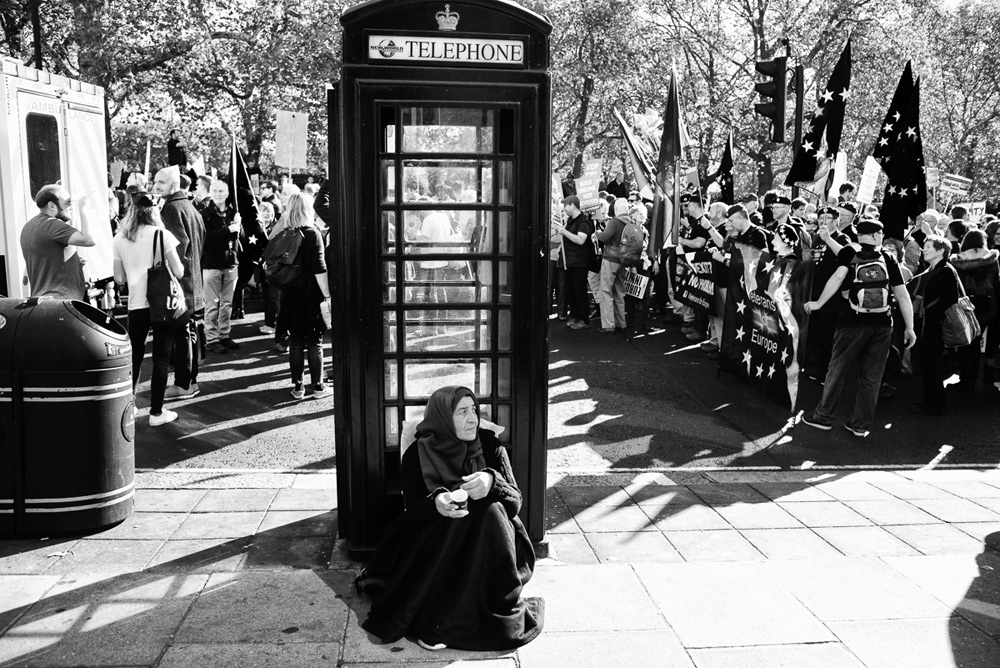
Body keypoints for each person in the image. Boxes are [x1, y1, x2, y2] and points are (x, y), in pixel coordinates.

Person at [356, 386, 544, 651]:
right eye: (462, 412)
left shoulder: (490, 444)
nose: (472, 419)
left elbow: (515, 502)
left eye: (474, 410)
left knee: (487, 509)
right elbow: (413, 510)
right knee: (456, 518)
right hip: (440, 541)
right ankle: (443, 620)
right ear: (443, 417)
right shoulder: (417, 454)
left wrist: (492, 481)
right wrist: (437, 504)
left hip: (490, 544)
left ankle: (450, 619)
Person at [801, 218, 917, 437]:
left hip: (851, 322)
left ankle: (823, 418)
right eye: (880, 234)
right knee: (871, 377)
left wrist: (818, 303)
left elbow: (837, 277)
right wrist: (909, 327)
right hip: (883, 324)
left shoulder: (848, 252)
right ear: (875, 235)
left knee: (837, 370)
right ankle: (860, 425)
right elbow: (902, 294)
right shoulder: (888, 256)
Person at [112, 194, 184, 427]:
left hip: (136, 305)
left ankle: (128, 409)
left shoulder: (120, 238)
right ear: (154, 212)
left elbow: (119, 277)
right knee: (161, 358)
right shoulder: (163, 235)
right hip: (161, 304)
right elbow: (180, 271)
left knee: (134, 357)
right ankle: (156, 412)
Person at [154, 166, 205, 400]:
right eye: (155, 181)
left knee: (184, 335)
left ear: (174, 185)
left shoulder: (172, 209)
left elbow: (176, 249)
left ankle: (184, 384)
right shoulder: (190, 207)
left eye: (161, 183)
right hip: (194, 282)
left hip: (182, 284)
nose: (155, 186)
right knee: (190, 333)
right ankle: (190, 382)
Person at [275, 191, 332, 400]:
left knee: (296, 342)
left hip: (290, 295)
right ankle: (318, 387)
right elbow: (319, 268)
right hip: (312, 296)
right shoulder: (312, 233)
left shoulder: (284, 233)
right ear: (308, 210)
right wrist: (327, 295)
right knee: (315, 342)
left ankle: (298, 387)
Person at [907, 235, 961, 415]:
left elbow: (950, 298)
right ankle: (931, 401)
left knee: (932, 366)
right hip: (929, 324)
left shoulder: (945, 270)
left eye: (929, 246)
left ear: (940, 251)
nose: (925, 249)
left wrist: (929, 312)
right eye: (925, 246)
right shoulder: (934, 268)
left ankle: (934, 405)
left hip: (934, 326)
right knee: (928, 365)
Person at [20, 184, 96, 300]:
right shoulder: (52, 224)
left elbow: (45, 259)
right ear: (51, 206)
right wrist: (83, 209)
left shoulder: (28, 227)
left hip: (44, 301)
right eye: (68, 202)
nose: (71, 206)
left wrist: (74, 262)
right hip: (62, 301)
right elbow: (88, 240)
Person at [950, 229, 999, 392]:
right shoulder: (992, 258)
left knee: (966, 342)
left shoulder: (959, 259)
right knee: (978, 342)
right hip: (988, 305)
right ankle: (977, 375)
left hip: (966, 305)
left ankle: (966, 378)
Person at [201, 179, 241, 354]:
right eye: (215, 191)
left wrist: (239, 225)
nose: (218, 194)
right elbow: (205, 238)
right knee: (211, 305)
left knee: (227, 304)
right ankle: (211, 338)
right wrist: (228, 230)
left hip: (231, 263)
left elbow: (240, 238)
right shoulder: (204, 214)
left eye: (221, 191)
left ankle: (224, 335)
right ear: (211, 192)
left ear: (227, 193)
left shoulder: (234, 213)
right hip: (212, 265)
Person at [553, 195, 593, 330]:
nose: (564, 208)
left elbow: (580, 240)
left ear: (572, 205)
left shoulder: (583, 222)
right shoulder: (570, 221)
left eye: (565, 205)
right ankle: (575, 315)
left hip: (579, 262)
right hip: (569, 261)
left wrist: (564, 232)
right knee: (570, 291)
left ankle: (584, 319)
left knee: (579, 291)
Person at [595, 198, 630, 334]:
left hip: (611, 259)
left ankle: (608, 324)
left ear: (616, 210)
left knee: (606, 291)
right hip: (624, 261)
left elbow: (605, 237)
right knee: (620, 293)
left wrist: (597, 233)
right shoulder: (630, 223)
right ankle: (621, 323)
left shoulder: (614, 222)